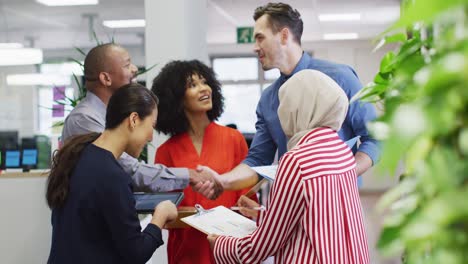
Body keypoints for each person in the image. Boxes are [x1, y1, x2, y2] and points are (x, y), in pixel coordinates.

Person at [200, 2, 379, 191]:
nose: (255, 47)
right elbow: (258, 160)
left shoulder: (340, 77)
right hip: (291, 205)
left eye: (260, 38)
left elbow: (376, 137)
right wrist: (223, 181)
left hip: (338, 200)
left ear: (284, 36)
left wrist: (344, 173)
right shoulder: (268, 99)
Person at [208, 70, 370, 264]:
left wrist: (221, 245)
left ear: (297, 108)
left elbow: (262, 247)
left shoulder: (297, 160)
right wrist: (264, 214)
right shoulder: (342, 151)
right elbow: (320, 217)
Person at [61, 43, 221, 198]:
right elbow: (128, 170)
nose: (135, 69)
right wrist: (189, 175)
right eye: (127, 64)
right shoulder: (84, 119)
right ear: (106, 78)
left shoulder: (111, 115)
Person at [47, 83, 178, 264]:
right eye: (151, 126)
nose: (150, 137)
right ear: (133, 119)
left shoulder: (78, 155)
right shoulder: (112, 175)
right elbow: (136, 253)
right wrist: (160, 216)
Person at [151, 60, 256, 264]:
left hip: (230, 250)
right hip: (187, 253)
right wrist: (196, 217)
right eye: (192, 85)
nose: (204, 88)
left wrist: (249, 208)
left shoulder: (233, 138)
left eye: (205, 82)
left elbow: (248, 197)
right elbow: (164, 212)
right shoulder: (166, 152)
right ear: (177, 98)